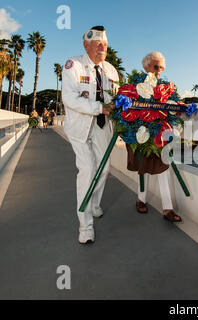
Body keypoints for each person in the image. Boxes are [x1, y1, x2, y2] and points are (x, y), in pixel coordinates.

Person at [61, 26, 119, 244]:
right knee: (87, 169)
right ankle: (85, 227)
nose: (101, 48)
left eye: (104, 44)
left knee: (104, 168)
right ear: (86, 45)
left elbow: (117, 98)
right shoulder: (73, 65)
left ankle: (94, 204)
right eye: (97, 44)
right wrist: (99, 108)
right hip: (80, 125)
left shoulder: (111, 71)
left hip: (102, 125)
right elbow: (69, 98)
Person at [127, 51, 182, 223]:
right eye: (156, 66)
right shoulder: (135, 85)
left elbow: (172, 109)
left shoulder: (166, 87)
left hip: (160, 136)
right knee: (144, 170)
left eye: (162, 68)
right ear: (146, 66)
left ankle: (167, 208)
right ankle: (141, 200)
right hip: (141, 135)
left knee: (163, 171)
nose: (159, 70)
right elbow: (128, 109)